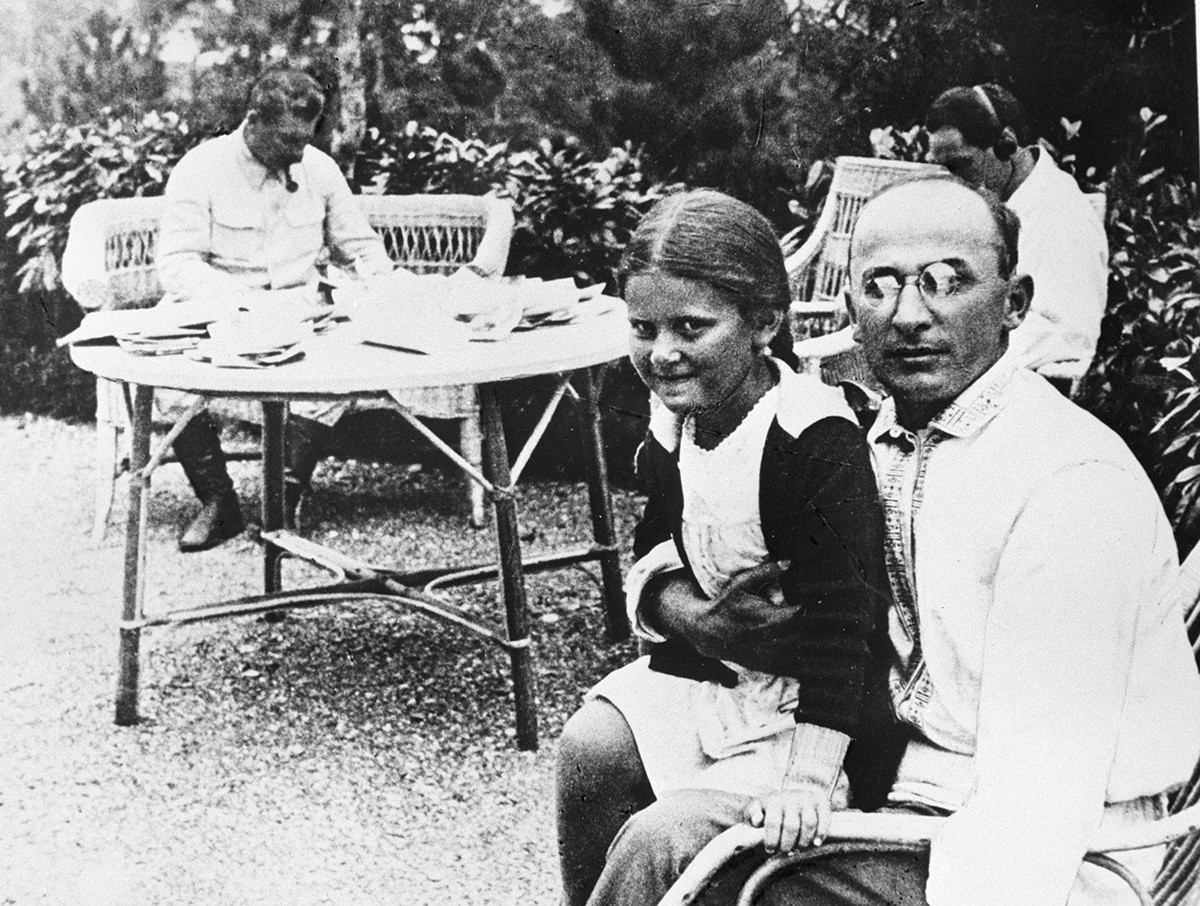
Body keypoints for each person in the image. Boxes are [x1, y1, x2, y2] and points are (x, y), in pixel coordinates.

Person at [588, 174, 1200, 906]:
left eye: (946, 283)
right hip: (880, 768)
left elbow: (1040, 795)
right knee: (600, 751)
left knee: (692, 857)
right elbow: (694, 524)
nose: (909, 315)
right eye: (879, 286)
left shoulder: (1069, 483)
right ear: (849, 308)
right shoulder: (855, 436)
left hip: (1042, 846)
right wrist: (685, 610)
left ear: (1015, 303)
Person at [555, 189, 900, 906]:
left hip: (812, 715)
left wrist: (809, 779)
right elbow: (657, 540)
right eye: (643, 327)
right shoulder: (677, 419)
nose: (662, 353)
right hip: (721, 674)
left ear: (764, 321)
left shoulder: (810, 442)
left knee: (667, 834)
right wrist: (686, 613)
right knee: (590, 748)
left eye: (691, 326)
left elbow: (848, 627)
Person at [155, 66, 392, 552]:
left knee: (334, 374)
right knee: (169, 381)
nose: (297, 152)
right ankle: (218, 502)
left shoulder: (317, 169)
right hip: (218, 310)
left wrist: (385, 288)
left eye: (306, 138)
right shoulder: (201, 168)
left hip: (301, 313)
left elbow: (359, 246)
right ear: (253, 120)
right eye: (287, 139)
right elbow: (177, 266)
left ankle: (280, 503)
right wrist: (244, 307)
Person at [925, 82, 1108, 375]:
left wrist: (951, 361)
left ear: (1006, 144)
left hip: (1034, 385)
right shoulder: (1003, 201)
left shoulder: (1057, 212)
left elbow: (1061, 333)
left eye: (961, 165)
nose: (954, 182)